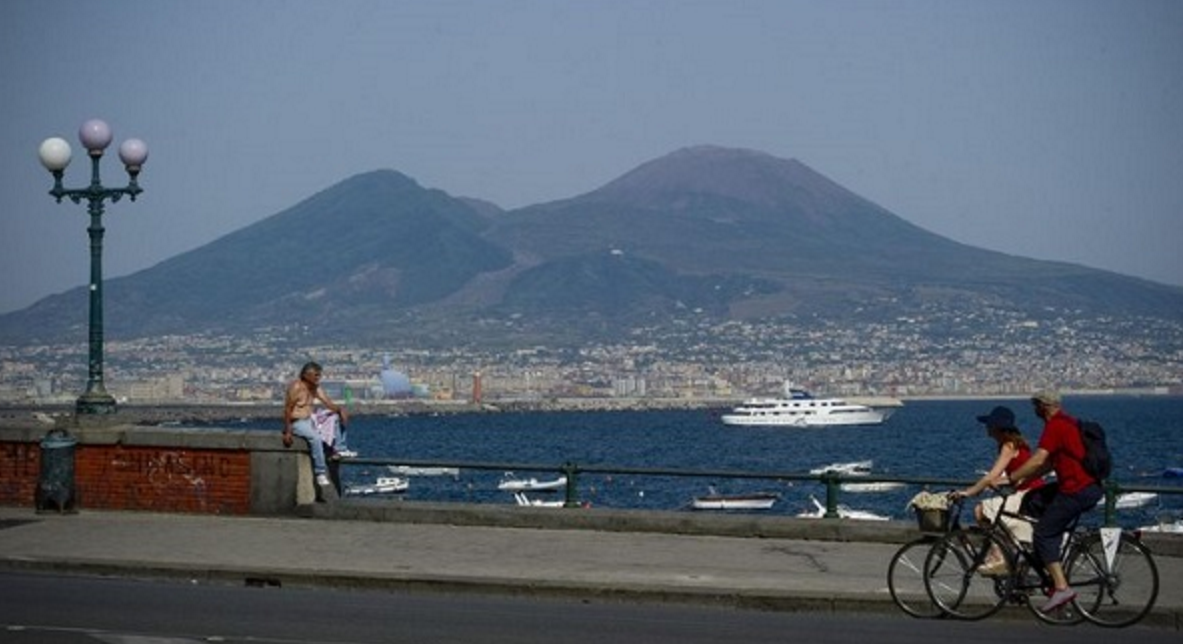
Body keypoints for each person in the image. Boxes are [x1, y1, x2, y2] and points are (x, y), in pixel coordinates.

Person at [1006, 390, 1103, 613]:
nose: (1034, 410)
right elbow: (1048, 465)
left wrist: (1011, 477)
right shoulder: (1070, 423)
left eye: (1035, 405)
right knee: (1033, 500)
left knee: (1043, 533)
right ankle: (1047, 559)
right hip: (1086, 486)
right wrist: (1022, 483)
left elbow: (1039, 458)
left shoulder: (1055, 426)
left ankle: (1061, 587)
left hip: (1076, 489)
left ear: (1043, 406)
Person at [951, 405, 1045, 574]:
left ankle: (998, 555)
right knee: (998, 518)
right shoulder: (1016, 443)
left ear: (997, 427)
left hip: (1026, 493)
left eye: (989, 425)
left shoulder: (1008, 446)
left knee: (981, 510)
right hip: (1030, 491)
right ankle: (1008, 554)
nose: (986, 428)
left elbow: (990, 476)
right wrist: (1000, 481)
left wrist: (968, 492)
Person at [283, 361, 351, 488]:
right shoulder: (296, 387)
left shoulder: (315, 388)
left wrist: (340, 410)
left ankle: (340, 448)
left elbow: (328, 403)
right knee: (316, 438)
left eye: (319, 375)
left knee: (334, 417)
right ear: (306, 375)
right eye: (315, 375)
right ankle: (320, 472)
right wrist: (288, 431)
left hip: (310, 419)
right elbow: (288, 409)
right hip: (297, 422)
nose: (318, 378)